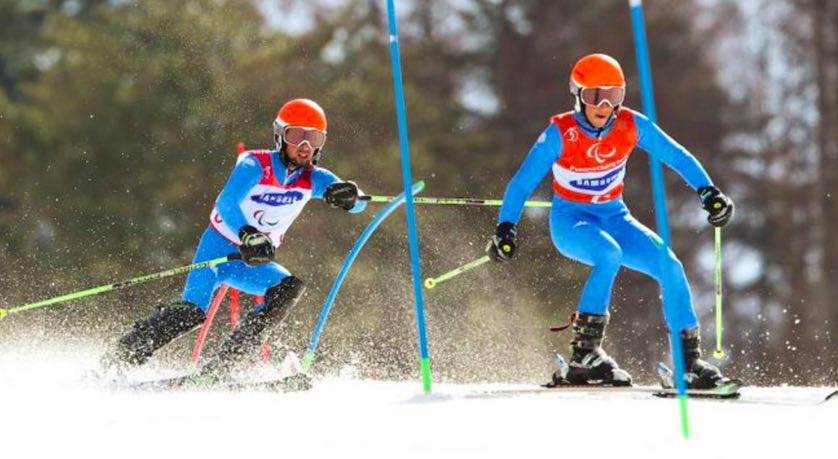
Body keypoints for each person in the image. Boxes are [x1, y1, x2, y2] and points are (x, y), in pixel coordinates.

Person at [487, 54, 734, 389]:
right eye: (594, 96)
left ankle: (688, 364)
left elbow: (676, 155)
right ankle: (583, 356)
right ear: (578, 95)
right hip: (571, 223)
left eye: (613, 95)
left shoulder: (631, 125)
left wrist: (709, 192)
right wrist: (506, 227)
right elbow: (521, 183)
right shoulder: (561, 133)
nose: (603, 105)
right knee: (609, 254)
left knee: (670, 266)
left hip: (615, 218)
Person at [101, 98, 366, 383]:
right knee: (191, 313)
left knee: (287, 289)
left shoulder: (314, 178)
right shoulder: (255, 163)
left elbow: (357, 202)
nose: (305, 145)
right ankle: (115, 363)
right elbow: (227, 201)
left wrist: (350, 197)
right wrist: (247, 233)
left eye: (314, 138)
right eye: (296, 135)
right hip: (218, 252)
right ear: (280, 136)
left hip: (249, 263)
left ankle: (223, 366)